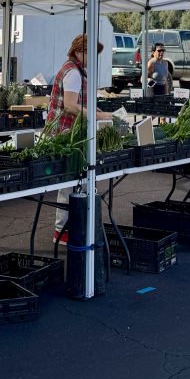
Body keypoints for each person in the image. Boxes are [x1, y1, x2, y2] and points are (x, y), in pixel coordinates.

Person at [47, 34, 112, 244]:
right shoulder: (73, 73)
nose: (93, 57)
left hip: (67, 134)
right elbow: (70, 105)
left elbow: (79, 102)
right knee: (69, 185)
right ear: (78, 52)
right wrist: (98, 116)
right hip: (65, 135)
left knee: (73, 184)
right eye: (90, 53)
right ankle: (62, 232)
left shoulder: (73, 70)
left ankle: (67, 230)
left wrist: (96, 110)